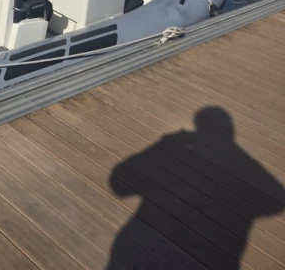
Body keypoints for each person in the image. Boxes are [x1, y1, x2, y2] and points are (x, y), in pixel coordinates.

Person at [107, 106, 285, 269]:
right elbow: (276, 199)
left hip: (146, 246)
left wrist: (164, 147)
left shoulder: (183, 146)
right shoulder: (241, 159)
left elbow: (119, 183)